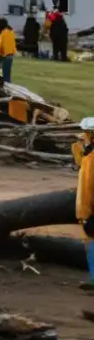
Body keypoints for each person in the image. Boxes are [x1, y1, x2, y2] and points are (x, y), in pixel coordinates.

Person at [74, 117, 94, 291]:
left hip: (90, 210)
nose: (83, 137)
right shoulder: (88, 157)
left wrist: (86, 215)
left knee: (92, 245)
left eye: (86, 134)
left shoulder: (92, 159)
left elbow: (87, 188)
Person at [0, 18, 17, 83]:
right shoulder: (7, 32)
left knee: (5, 77)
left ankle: (7, 90)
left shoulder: (5, 33)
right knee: (5, 76)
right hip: (8, 56)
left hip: (6, 56)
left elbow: (2, 46)